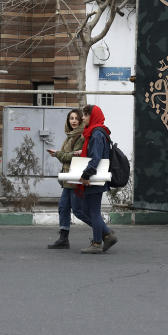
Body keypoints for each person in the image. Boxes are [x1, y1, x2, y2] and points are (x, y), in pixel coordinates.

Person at [75, 104, 118, 254]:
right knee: (87, 210)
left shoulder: (96, 133)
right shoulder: (95, 132)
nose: (83, 118)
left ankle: (97, 243)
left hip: (95, 177)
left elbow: (96, 157)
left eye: (86, 115)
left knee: (93, 211)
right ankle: (106, 234)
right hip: (96, 177)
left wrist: (86, 175)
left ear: (93, 116)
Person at [45, 108, 85, 249]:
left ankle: (104, 232)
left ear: (81, 120)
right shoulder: (70, 136)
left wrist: (58, 154)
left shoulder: (80, 137)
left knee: (78, 211)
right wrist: (61, 154)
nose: (73, 121)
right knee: (63, 207)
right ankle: (63, 238)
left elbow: (74, 158)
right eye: (71, 118)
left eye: (76, 118)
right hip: (68, 178)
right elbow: (69, 156)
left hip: (75, 178)